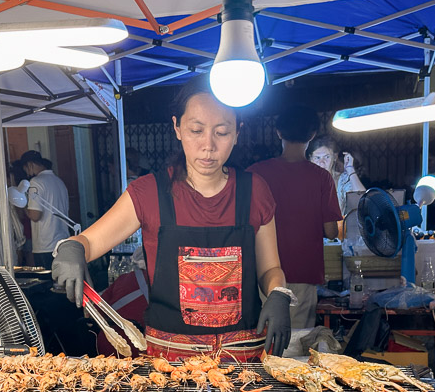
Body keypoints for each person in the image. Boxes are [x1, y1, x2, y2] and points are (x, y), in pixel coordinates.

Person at [51, 76, 293, 358]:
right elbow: (88, 242)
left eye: (222, 132)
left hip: (241, 362)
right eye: (196, 130)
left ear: (238, 132)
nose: (208, 146)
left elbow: (269, 269)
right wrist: (72, 248)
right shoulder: (148, 192)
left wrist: (278, 294)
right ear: (177, 127)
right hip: (169, 364)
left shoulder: (255, 191)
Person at [249, 105, 341, 329]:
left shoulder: (254, 173)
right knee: (297, 343)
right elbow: (331, 231)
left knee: (262, 339)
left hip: (260, 275)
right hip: (304, 273)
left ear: (278, 132)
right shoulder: (322, 177)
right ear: (312, 135)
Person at [21, 150, 70, 269]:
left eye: (26, 169)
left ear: (30, 165)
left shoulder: (36, 182)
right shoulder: (59, 181)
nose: (27, 174)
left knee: (46, 284)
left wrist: (22, 205)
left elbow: (35, 215)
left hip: (45, 244)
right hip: (62, 241)